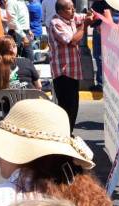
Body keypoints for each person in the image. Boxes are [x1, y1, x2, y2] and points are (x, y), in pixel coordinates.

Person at [48, 0, 93, 134]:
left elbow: (85, 16)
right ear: (60, 11)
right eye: (70, 9)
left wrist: (92, 14)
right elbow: (73, 41)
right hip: (63, 73)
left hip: (73, 72)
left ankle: (68, 135)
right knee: (66, 109)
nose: (73, 11)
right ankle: (64, 137)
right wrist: (84, 26)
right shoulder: (56, 23)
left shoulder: (72, 18)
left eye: (73, 7)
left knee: (73, 108)